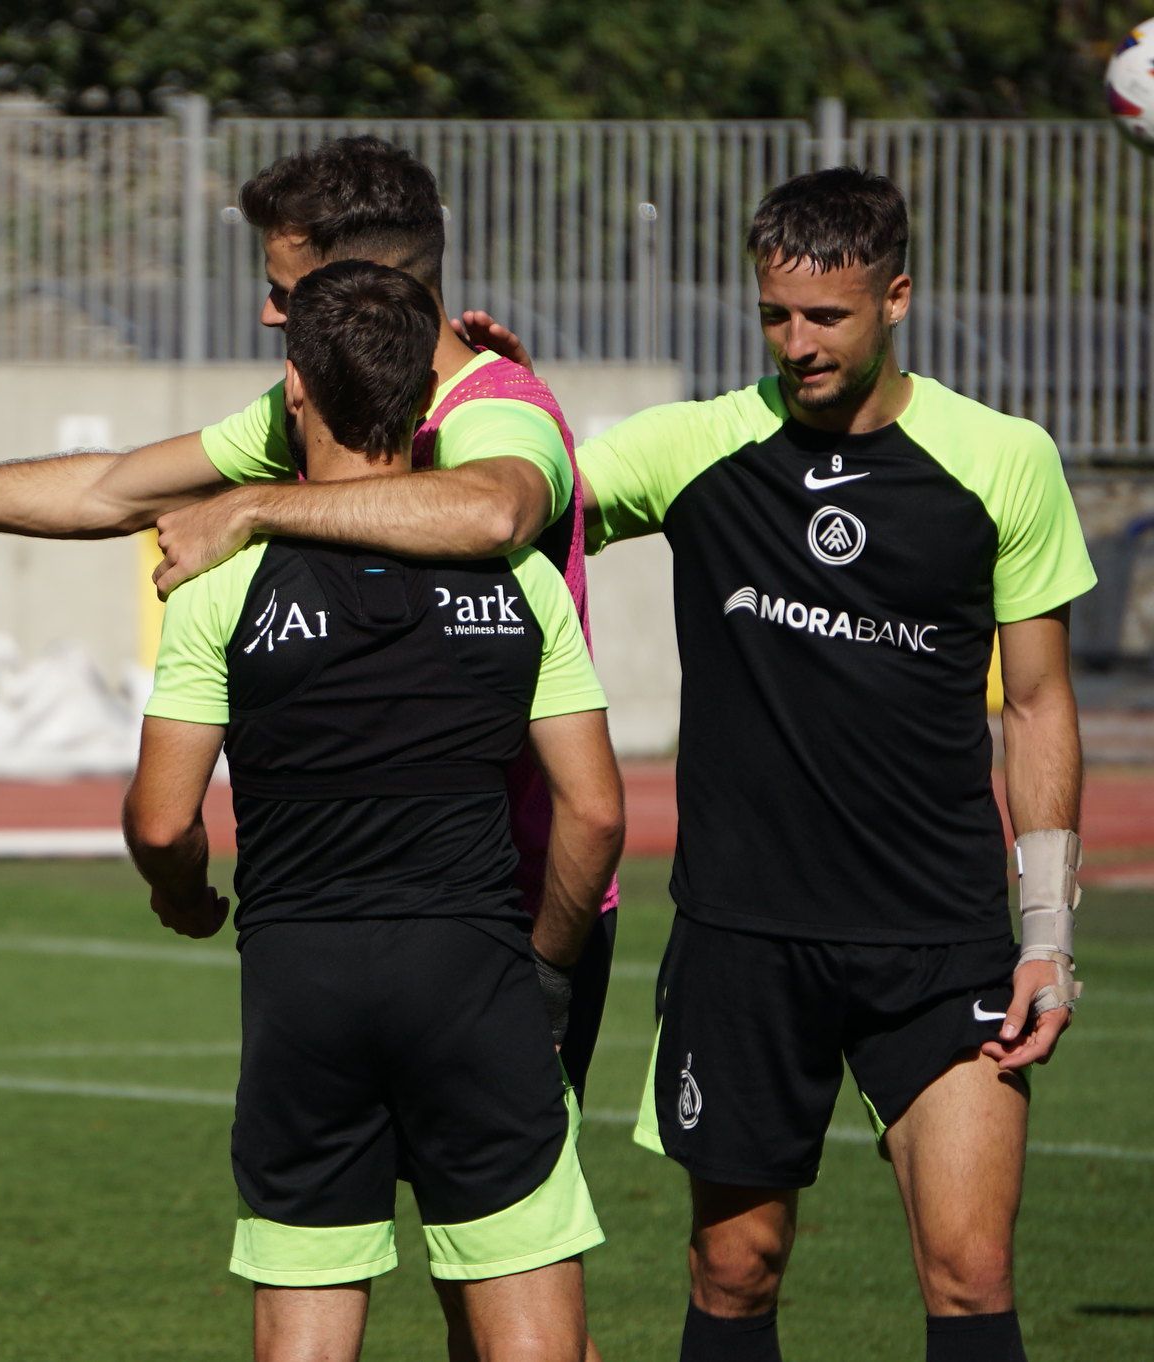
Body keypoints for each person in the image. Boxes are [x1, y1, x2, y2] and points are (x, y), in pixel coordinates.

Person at [0, 135, 625, 1100]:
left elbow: (493, 508)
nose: (267, 310)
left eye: (286, 287)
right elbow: (109, 490)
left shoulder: (494, 407)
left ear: (367, 282)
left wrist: (257, 505)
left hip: (510, 903)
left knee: (500, 1236)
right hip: (345, 906)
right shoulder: (312, 407)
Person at [440, 168, 1087, 1362]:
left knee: (968, 1270)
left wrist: (1043, 929)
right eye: (774, 316)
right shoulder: (697, 446)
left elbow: (1039, 707)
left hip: (937, 933)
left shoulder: (1001, 459)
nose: (797, 344)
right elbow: (510, 498)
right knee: (732, 1270)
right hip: (742, 937)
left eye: (826, 317)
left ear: (894, 296)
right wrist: (498, 399)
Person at [123, 259, 625, 1362]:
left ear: (294, 386)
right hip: (473, 977)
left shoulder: (217, 579)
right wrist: (539, 968)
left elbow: (162, 821)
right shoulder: (521, 578)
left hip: (302, 988)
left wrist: (186, 896)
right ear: (424, 400)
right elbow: (591, 815)